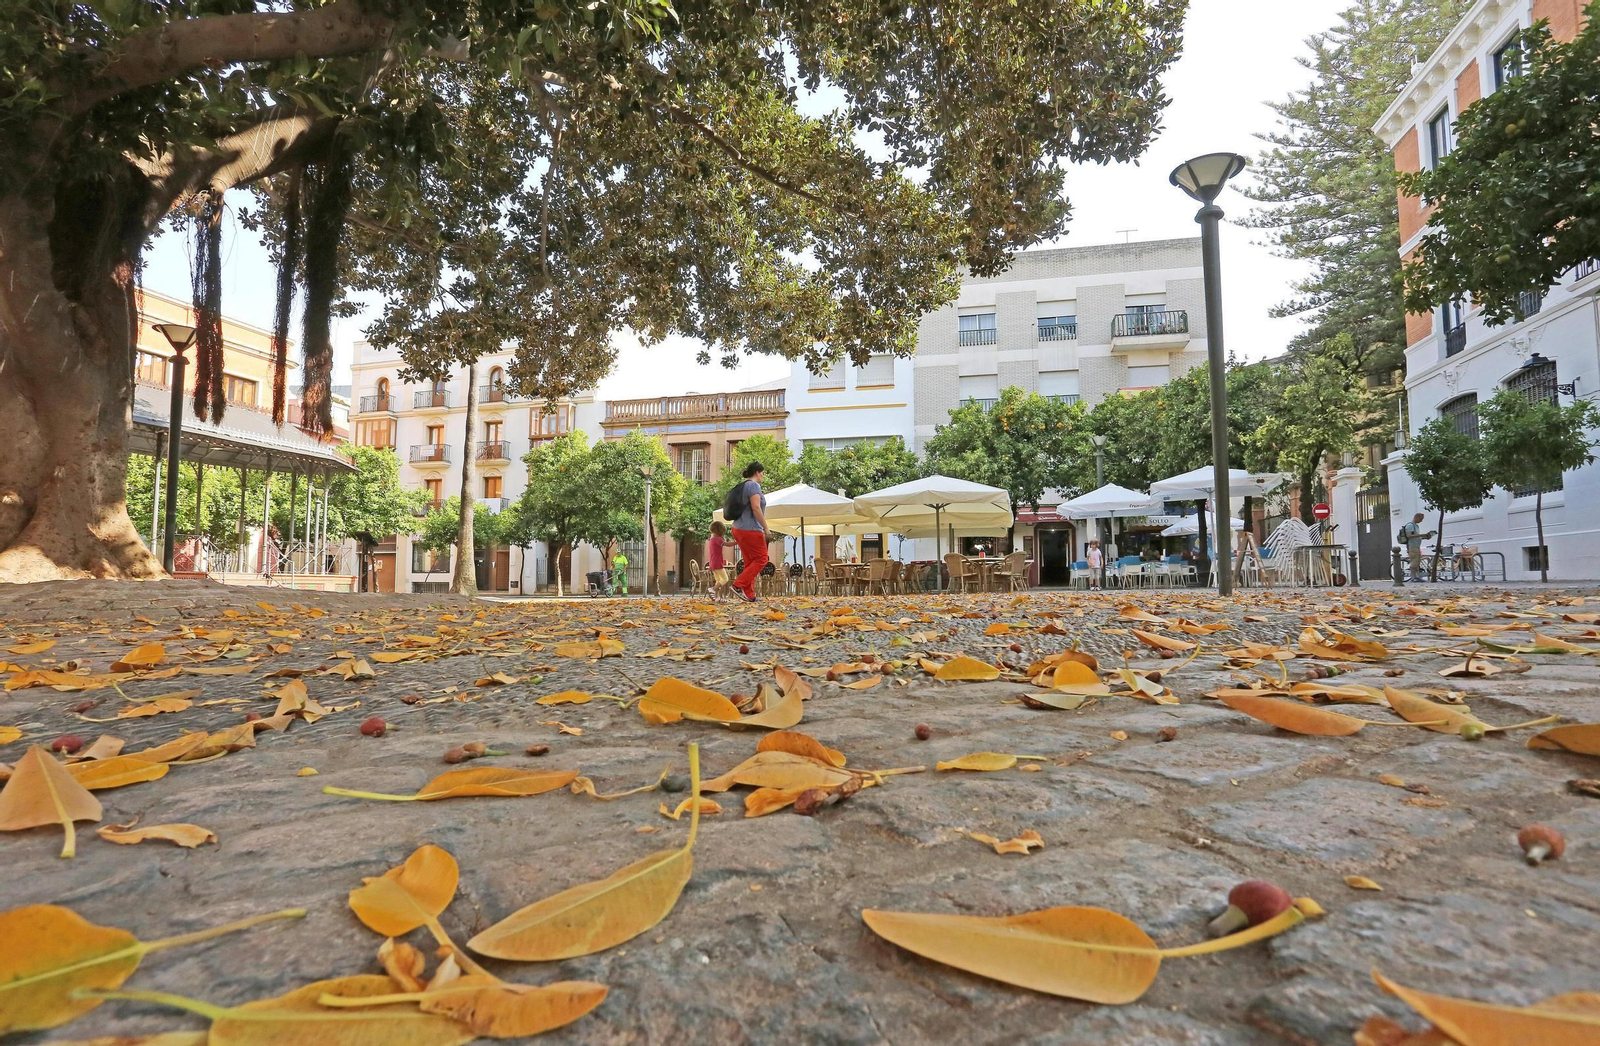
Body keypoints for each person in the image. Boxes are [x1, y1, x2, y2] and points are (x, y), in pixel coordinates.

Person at [730, 461, 769, 602]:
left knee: (750, 562)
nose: (763, 475)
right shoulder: (753, 485)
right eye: (762, 473)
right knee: (762, 558)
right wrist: (766, 527)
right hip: (751, 529)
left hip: (738, 528)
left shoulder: (743, 486)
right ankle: (738, 585)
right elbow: (756, 508)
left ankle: (750, 595)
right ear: (757, 472)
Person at [1399, 512, 1436, 582]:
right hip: (1412, 546)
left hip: (1417, 546)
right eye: (1421, 519)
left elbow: (1416, 537)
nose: (1421, 521)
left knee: (1417, 562)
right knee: (1414, 561)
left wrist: (1425, 537)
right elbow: (1409, 536)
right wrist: (1422, 535)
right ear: (1416, 517)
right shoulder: (1410, 526)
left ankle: (1417, 576)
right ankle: (1413, 577)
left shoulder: (1416, 526)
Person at [706, 520, 734, 600]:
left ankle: (716, 597)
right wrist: (737, 542)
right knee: (725, 579)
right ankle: (713, 589)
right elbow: (727, 544)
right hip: (718, 563)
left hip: (713, 563)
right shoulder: (718, 539)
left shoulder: (711, 540)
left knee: (718, 581)